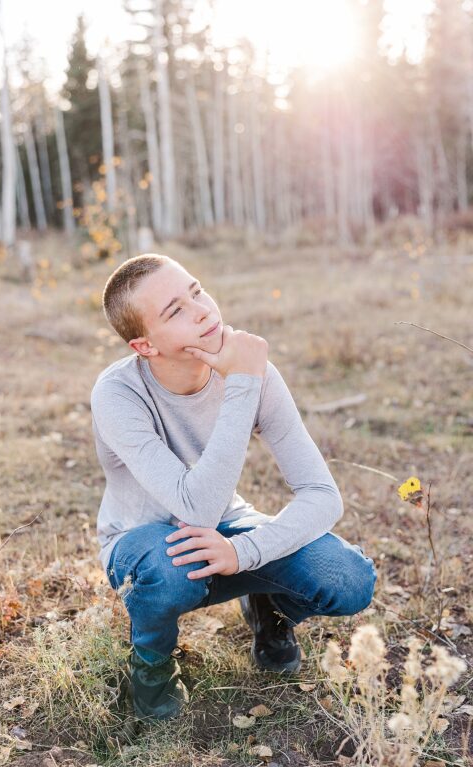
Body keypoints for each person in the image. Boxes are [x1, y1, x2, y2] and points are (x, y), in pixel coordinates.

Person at [90, 253, 376, 721]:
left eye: (196, 292)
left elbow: (323, 494)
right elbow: (193, 508)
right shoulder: (118, 393)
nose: (202, 310)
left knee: (348, 577)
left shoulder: (254, 372)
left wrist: (246, 551)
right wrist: (242, 382)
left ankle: (270, 610)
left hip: (228, 524)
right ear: (144, 346)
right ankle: (151, 664)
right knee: (172, 566)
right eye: (175, 311)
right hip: (142, 542)